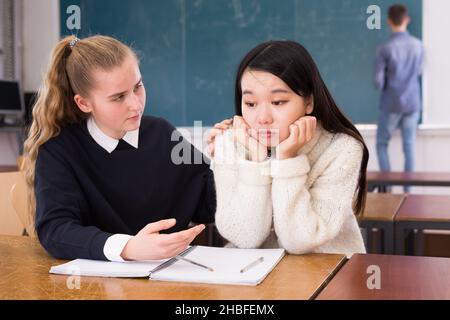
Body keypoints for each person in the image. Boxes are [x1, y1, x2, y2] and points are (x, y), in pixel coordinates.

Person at [23, 35, 215, 261]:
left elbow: (208, 203)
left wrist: (241, 157)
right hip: (95, 288)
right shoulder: (60, 151)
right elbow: (56, 231)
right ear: (84, 103)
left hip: (166, 280)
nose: (135, 104)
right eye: (118, 97)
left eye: (138, 86)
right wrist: (128, 248)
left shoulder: (162, 133)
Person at [207, 40, 368, 258]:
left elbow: (300, 241)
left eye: (278, 102)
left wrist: (287, 159)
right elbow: (244, 237)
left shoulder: (343, 149)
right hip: (255, 279)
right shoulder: (231, 143)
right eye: (251, 104)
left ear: (308, 102)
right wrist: (256, 159)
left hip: (326, 274)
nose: (262, 118)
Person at [374, 4, 424, 192]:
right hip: (412, 102)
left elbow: (378, 82)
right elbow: (418, 72)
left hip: (391, 103)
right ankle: (408, 192)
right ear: (407, 20)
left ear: (388, 21)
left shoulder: (384, 49)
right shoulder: (418, 46)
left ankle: (387, 191)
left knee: (381, 143)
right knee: (409, 145)